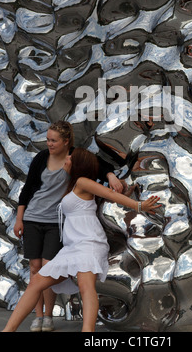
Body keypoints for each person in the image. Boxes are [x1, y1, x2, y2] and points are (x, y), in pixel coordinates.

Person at [3, 147, 161, 333]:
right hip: (72, 247)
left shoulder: (82, 181)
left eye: (70, 157)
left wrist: (138, 205)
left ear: (78, 164)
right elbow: (105, 198)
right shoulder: (74, 184)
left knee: (86, 287)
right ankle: (8, 330)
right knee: (36, 283)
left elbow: (109, 194)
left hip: (89, 243)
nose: (66, 159)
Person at [14, 121, 123, 332]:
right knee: (35, 268)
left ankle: (48, 316)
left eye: (53, 140)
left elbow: (99, 166)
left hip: (57, 222)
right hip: (33, 217)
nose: (49, 144)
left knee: (48, 266)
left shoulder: (76, 159)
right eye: (47, 139)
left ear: (66, 142)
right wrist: (20, 218)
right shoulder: (41, 158)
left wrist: (110, 175)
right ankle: (38, 316)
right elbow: (27, 189)